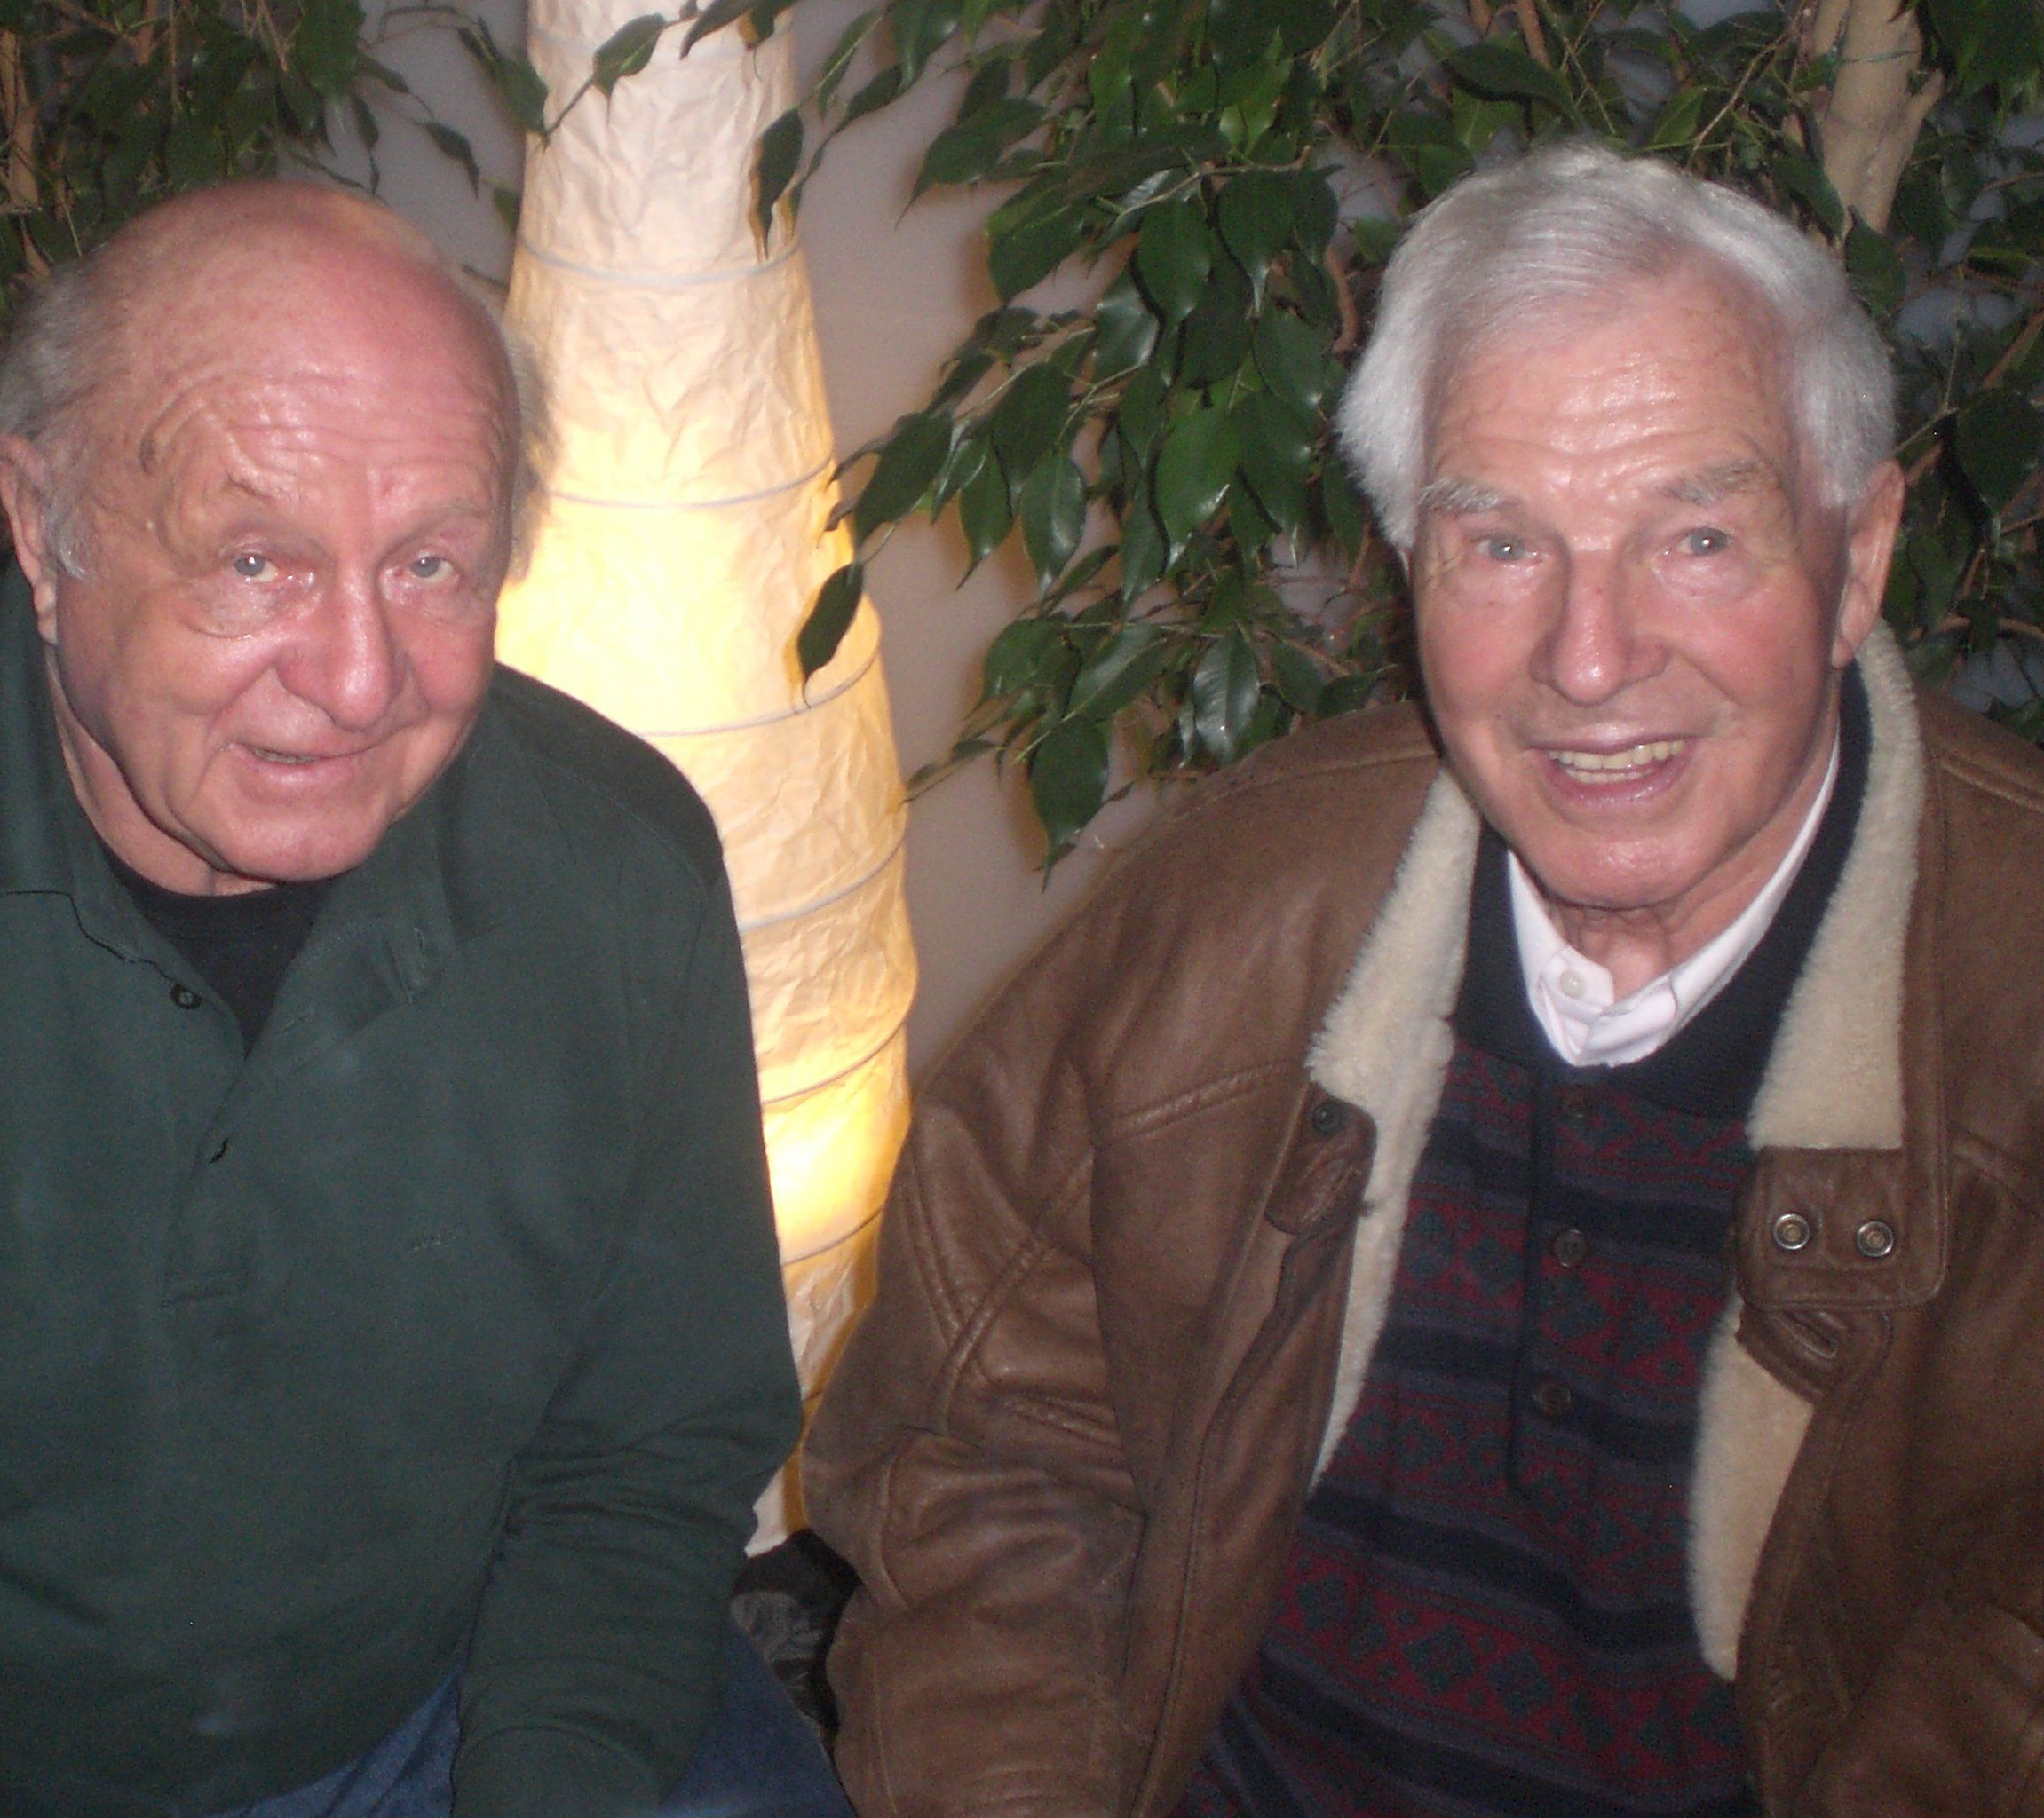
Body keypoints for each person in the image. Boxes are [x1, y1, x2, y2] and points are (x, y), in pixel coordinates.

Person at [0, 182, 850, 1818]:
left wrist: (552, 1782)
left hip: (461, 1684)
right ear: (41, 530)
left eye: (431, 563)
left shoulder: (618, 870)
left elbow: (648, 1444)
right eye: (254, 560)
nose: (357, 679)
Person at [805, 140, 2044, 1817]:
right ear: (1409, 573)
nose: (1590, 661)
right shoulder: (1231, 918)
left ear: (1862, 555)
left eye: (1696, 536)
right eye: (1502, 547)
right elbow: (980, 1459)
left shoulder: (2008, 1002)